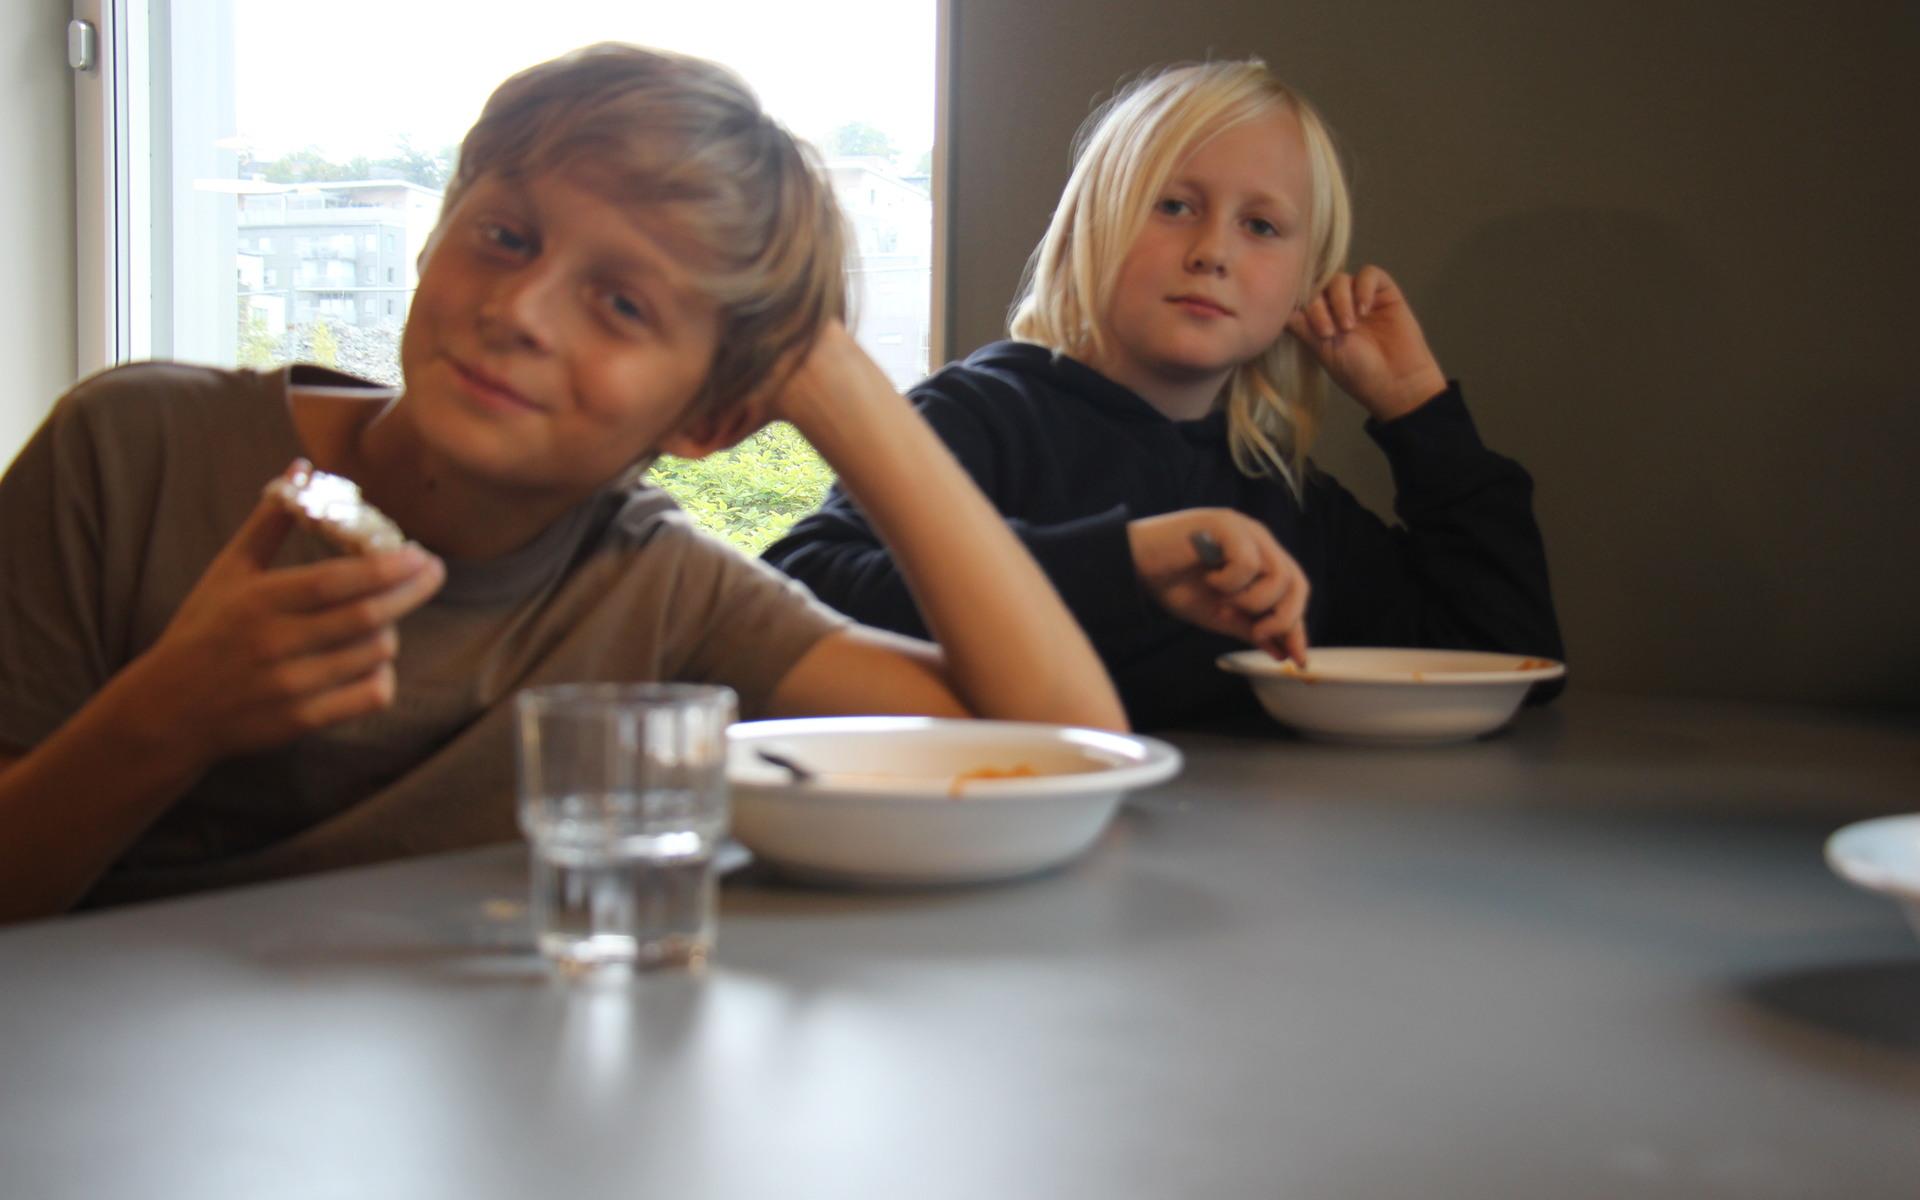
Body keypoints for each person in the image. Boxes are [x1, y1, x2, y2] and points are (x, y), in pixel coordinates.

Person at [0, 44, 1123, 923]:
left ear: (711, 419)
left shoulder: (658, 586)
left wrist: (835, 381)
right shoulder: (132, 450)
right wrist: (168, 716)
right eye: (502, 236)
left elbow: (1066, 751)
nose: (520, 310)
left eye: (623, 305)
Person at [764, 59, 1562, 729]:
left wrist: (1417, 407)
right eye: (1174, 206)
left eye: (1262, 227)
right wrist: (1129, 561)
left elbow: (1506, 659)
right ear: (1086, 228)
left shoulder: (1277, 491)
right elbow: (799, 600)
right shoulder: (980, 417)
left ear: (1302, 286)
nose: (1212, 250)